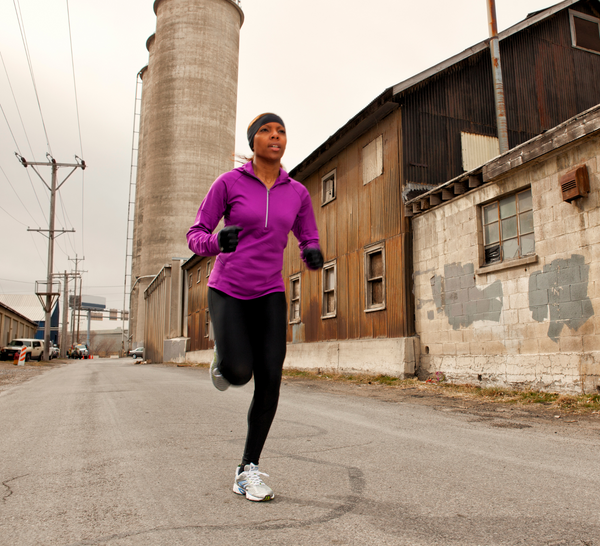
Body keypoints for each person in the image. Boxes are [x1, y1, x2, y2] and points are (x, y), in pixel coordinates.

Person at [187, 113, 323, 502]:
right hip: (227, 288)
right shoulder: (228, 183)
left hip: (269, 292)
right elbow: (195, 233)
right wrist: (216, 243)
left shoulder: (296, 191)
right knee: (238, 372)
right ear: (252, 142)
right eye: (266, 131)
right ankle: (223, 359)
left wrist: (310, 250)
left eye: (281, 131)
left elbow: (307, 232)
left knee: (269, 379)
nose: (275, 136)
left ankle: (247, 469)